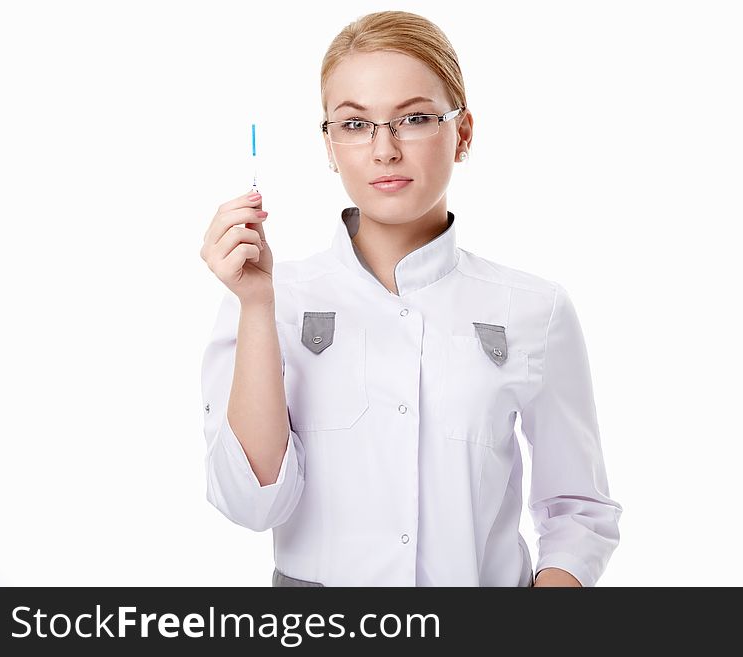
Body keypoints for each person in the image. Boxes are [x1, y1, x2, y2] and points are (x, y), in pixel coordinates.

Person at [199, 10, 622, 587]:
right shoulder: (274, 300)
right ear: (328, 144)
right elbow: (252, 506)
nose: (384, 150)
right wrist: (254, 307)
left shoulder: (534, 309)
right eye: (354, 125)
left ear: (463, 132)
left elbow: (579, 511)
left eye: (414, 118)